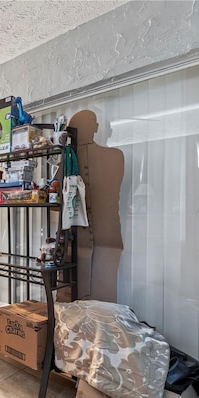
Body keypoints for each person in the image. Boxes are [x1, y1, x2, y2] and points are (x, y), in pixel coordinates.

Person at [68, 110, 124, 302]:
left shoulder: (115, 156)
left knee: (104, 295)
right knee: (72, 296)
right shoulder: (67, 162)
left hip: (107, 242)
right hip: (74, 243)